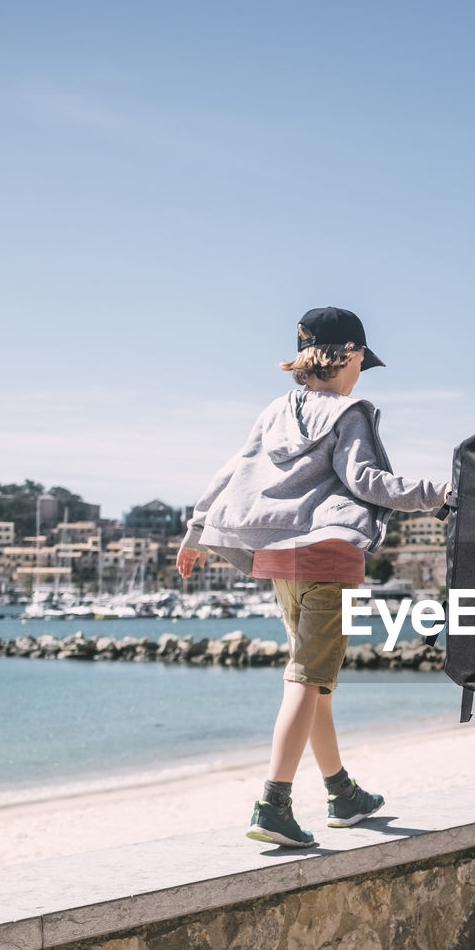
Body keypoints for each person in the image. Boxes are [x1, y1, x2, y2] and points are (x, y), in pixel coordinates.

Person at [177, 307, 449, 848]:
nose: (359, 374)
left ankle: (342, 794)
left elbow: (233, 470)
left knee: (315, 679)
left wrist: (195, 530)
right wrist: (440, 496)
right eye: (360, 363)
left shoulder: (275, 410)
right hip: (327, 552)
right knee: (306, 678)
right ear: (347, 355)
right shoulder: (350, 414)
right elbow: (366, 481)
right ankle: (273, 802)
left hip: (278, 555)